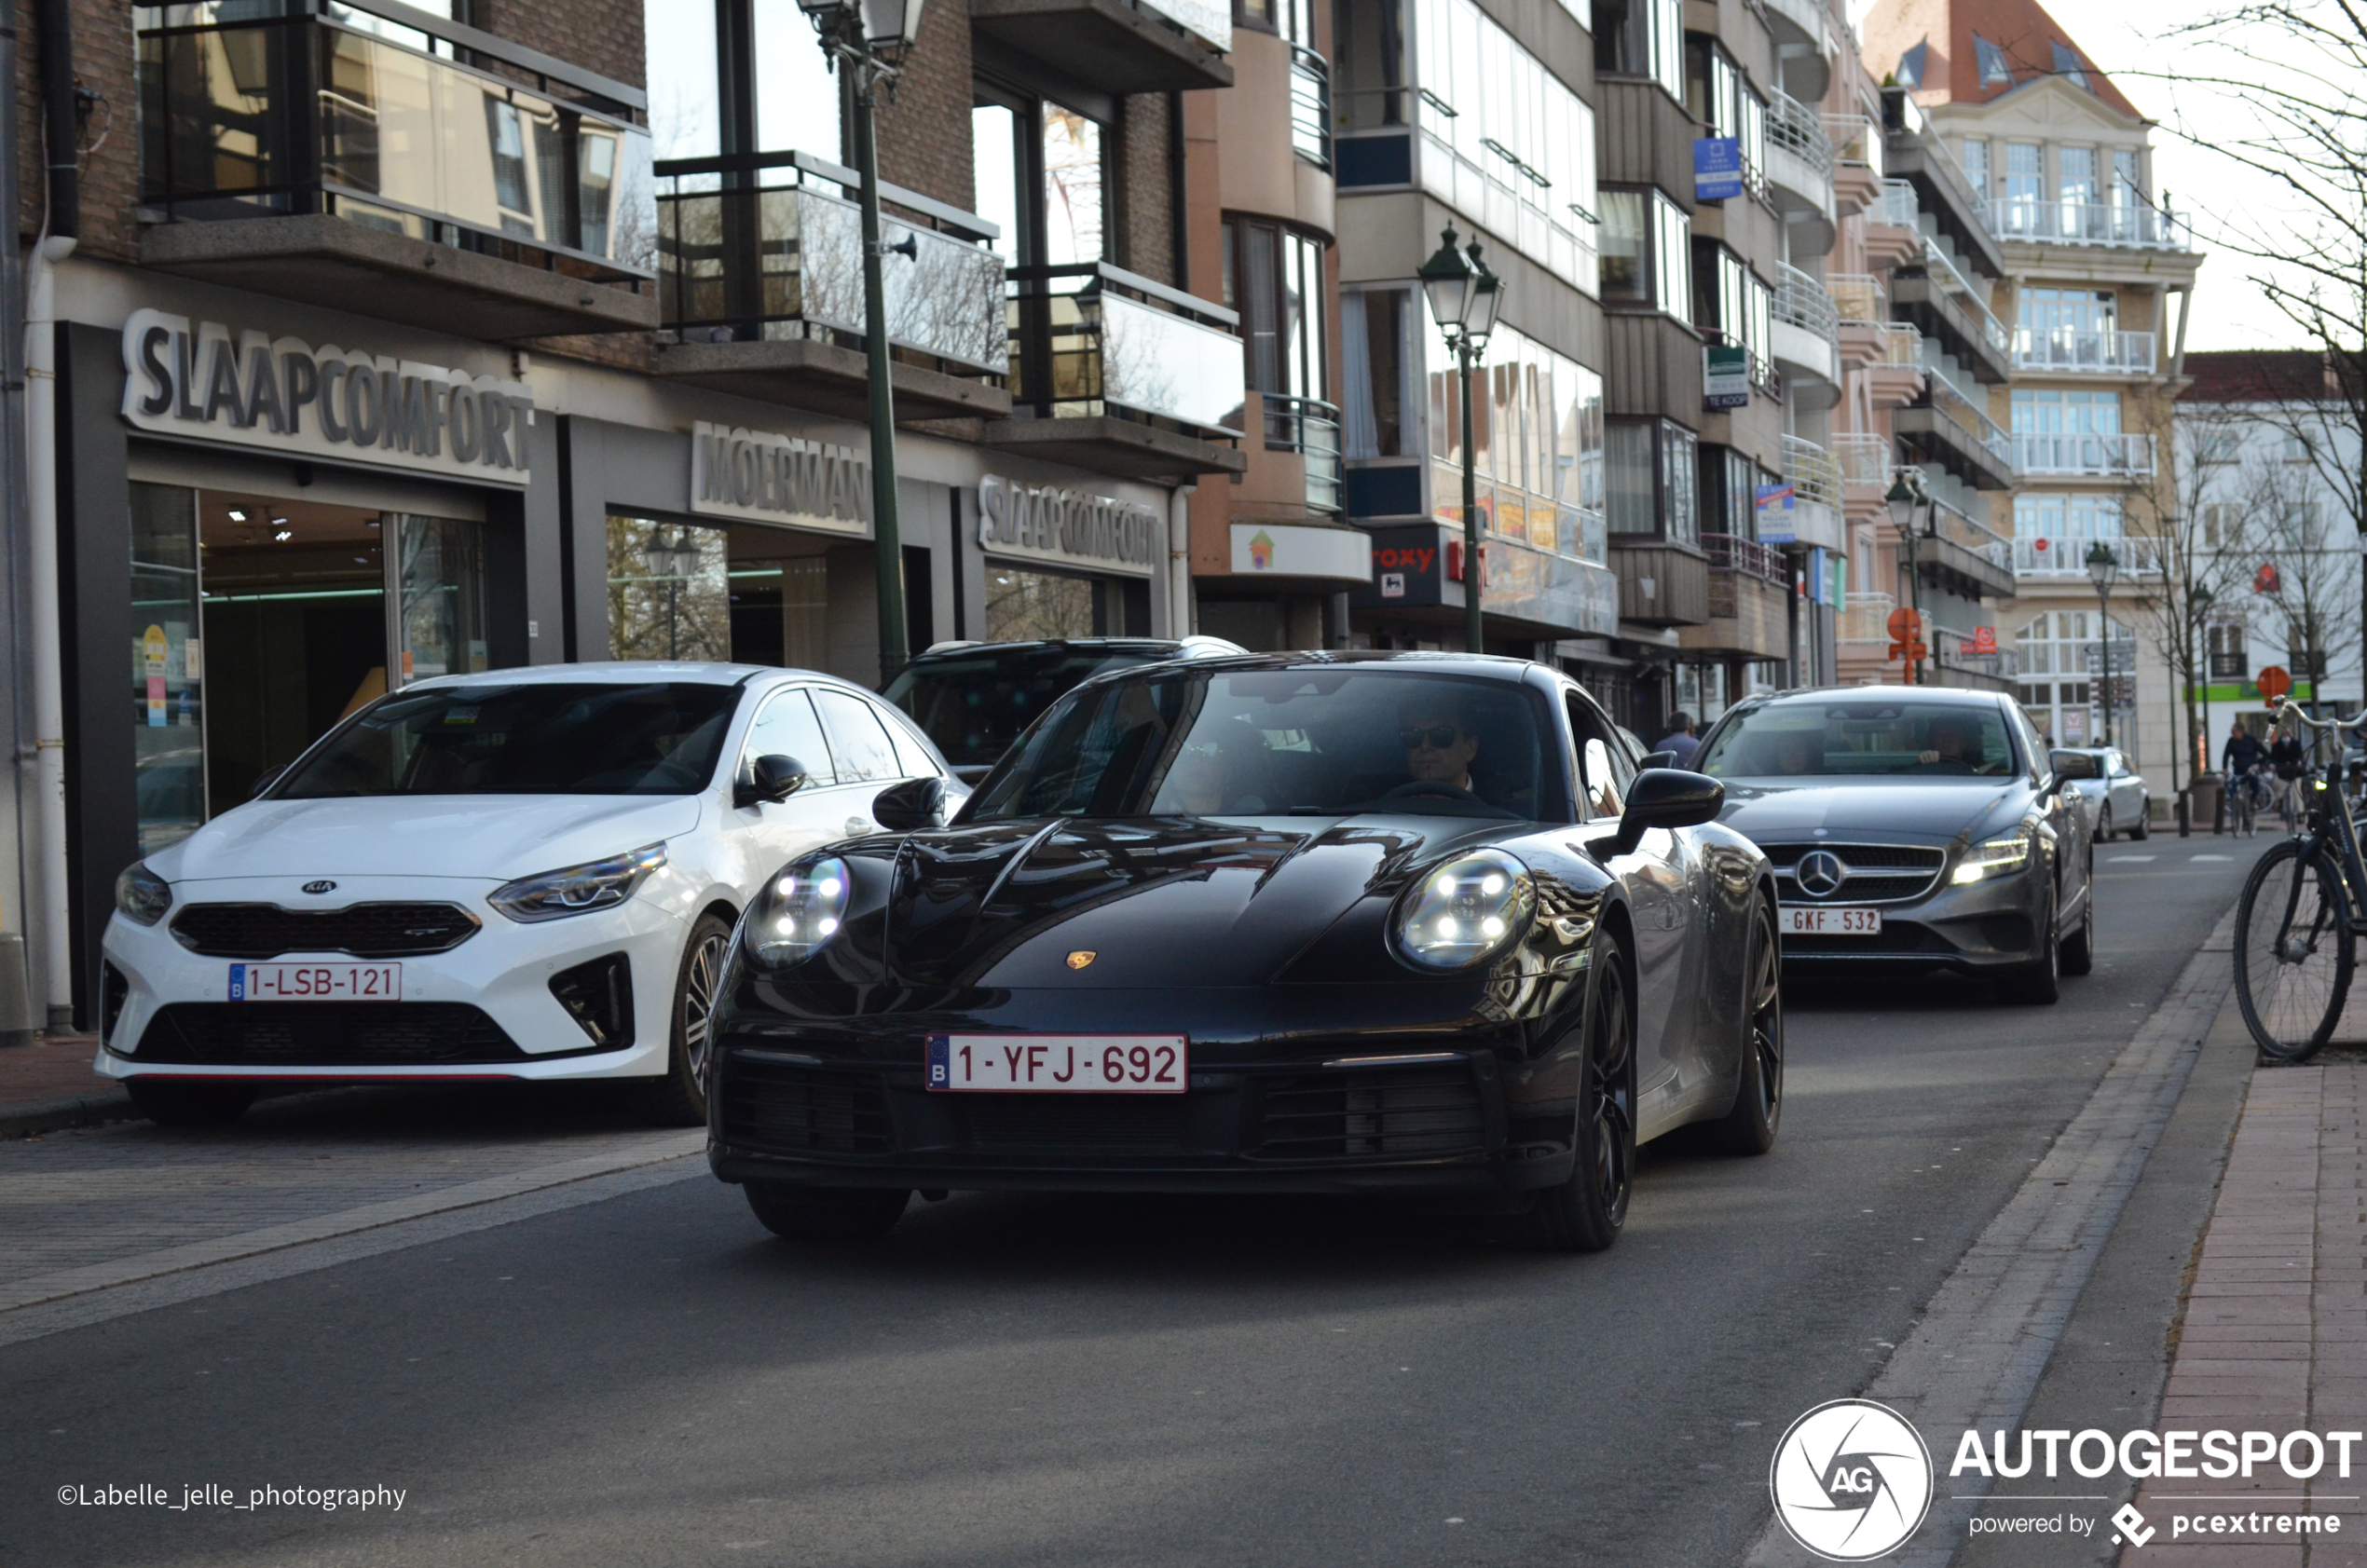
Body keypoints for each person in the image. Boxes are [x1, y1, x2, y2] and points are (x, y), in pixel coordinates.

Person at [1401, 705, 1480, 794]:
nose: (1425, 746)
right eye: (1412, 736)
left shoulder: (1493, 804)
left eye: (1441, 735)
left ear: (1470, 748)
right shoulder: (1386, 800)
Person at [1914, 713, 1986, 772]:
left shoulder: (1982, 772)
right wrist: (1923, 762)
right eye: (1940, 735)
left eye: (1952, 735)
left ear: (1965, 742)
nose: (1946, 740)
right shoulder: (1920, 768)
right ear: (1930, 741)